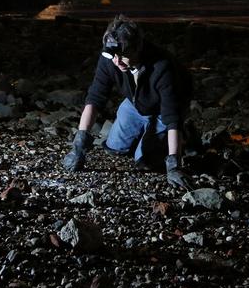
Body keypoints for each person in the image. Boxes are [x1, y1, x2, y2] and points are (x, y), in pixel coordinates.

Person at [62, 15, 194, 190]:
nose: (117, 61)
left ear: (137, 47)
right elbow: (95, 98)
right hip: (135, 103)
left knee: (146, 162)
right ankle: (145, 135)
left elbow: (172, 115)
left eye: (123, 55)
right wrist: (78, 145)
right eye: (113, 56)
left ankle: (186, 136)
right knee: (114, 148)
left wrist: (174, 164)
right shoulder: (111, 59)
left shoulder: (162, 66)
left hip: (164, 108)